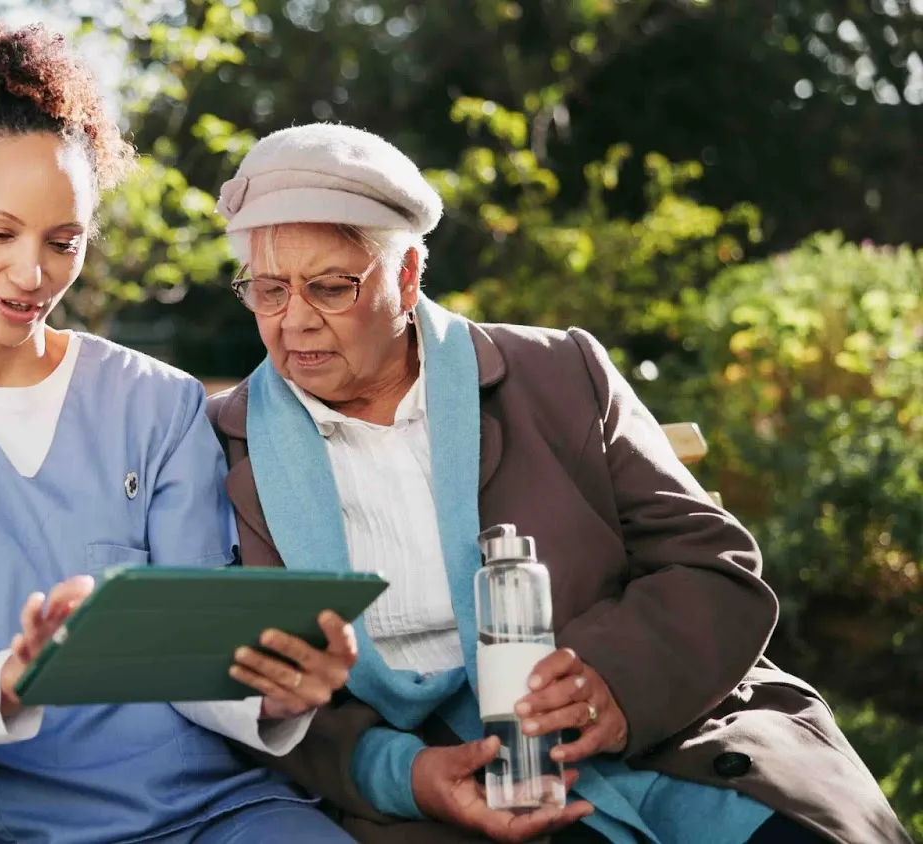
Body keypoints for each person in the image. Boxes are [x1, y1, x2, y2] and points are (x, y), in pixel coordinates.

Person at [204, 123, 908, 844]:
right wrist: (403, 774)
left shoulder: (559, 372)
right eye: (267, 290)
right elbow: (237, 687)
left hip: (676, 749)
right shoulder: (223, 446)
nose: (294, 321)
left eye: (330, 286)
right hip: (446, 798)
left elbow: (713, 566)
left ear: (408, 276)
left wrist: (615, 680)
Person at [0, 22, 360, 844]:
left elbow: (191, 656)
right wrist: (13, 680)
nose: (33, 275)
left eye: (65, 243)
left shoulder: (159, 405)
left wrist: (271, 692)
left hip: (208, 814)